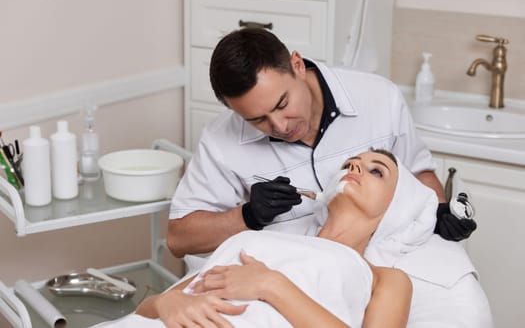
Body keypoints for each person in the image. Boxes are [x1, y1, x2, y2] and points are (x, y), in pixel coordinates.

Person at [167, 28, 476, 261]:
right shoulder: (221, 138)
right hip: (276, 270)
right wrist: (248, 215)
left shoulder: (379, 98)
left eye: (282, 103)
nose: (279, 126)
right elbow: (179, 239)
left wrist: (440, 213)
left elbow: (420, 174)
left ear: (298, 65)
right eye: (257, 120)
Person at [92, 150, 492, 328]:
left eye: (376, 171)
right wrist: (167, 301)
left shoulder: (386, 279)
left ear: (398, 207)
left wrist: (271, 285)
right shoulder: (258, 241)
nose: (355, 167)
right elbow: (152, 305)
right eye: (351, 163)